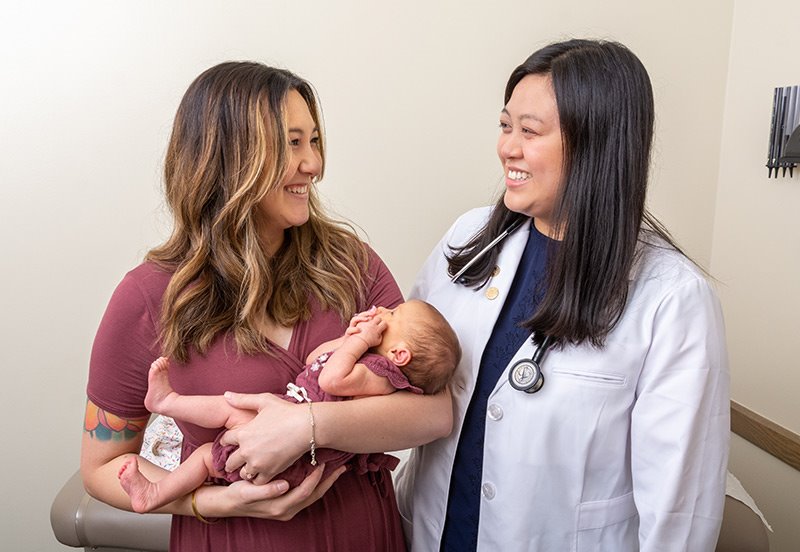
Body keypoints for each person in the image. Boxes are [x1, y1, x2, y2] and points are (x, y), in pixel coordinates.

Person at [80, 61, 453, 552]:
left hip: (361, 531)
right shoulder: (148, 297)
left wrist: (307, 427)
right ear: (229, 158)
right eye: (292, 143)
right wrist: (211, 504)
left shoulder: (350, 265)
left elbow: (433, 413)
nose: (314, 164)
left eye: (314, 141)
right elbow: (101, 466)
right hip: (233, 539)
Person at [394, 39, 730, 551]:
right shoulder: (468, 239)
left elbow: (679, 512)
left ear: (597, 145)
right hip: (431, 532)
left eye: (530, 132)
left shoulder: (672, 299)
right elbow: (404, 376)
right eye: (506, 125)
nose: (508, 147)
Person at [118, 301, 459, 513]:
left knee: (209, 455)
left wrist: (358, 342)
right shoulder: (366, 358)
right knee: (227, 410)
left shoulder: (381, 375)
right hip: (287, 411)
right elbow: (317, 359)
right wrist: (349, 338)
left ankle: (155, 492)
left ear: (399, 355)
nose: (384, 311)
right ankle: (167, 402)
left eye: (394, 315)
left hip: (293, 457)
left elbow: (330, 381)